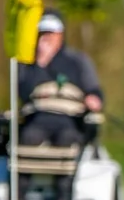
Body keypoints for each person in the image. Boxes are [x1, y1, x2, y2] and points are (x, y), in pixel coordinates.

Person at [19, 10, 104, 148]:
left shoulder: (78, 61)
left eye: (51, 34)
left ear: (60, 35)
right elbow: (23, 92)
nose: (46, 38)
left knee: (67, 138)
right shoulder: (28, 64)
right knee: (30, 137)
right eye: (43, 33)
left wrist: (94, 98)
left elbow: (93, 89)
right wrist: (40, 63)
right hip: (38, 116)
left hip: (69, 118)